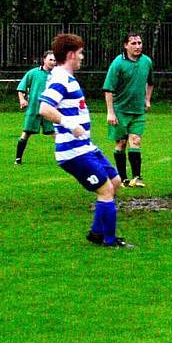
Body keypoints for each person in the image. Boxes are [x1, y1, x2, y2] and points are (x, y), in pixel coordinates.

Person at [39, 33, 132, 248]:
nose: (82, 57)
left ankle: (97, 233)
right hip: (73, 152)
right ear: (71, 55)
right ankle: (109, 240)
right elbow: (45, 108)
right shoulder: (61, 78)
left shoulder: (66, 78)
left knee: (115, 182)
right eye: (80, 53)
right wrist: (71, 125)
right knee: (106, 190)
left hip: (85, 147)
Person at [103, 33, 154, 187]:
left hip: (138, 111)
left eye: (139, 43)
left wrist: (147, 100)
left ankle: (137, 177)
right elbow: (108, 89)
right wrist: (110, 112)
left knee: (136, 141)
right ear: (126, 45)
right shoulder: (118, 63)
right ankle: (123, 179)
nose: (138, 46)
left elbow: (150, 82)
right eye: (133, 43)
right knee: (121, 143)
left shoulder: (146, 61)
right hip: (120, 110)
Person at [14, 50, 57, 164]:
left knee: (56, 134)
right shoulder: (33, 73)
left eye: (54, 60)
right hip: (34, 108)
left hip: (50, 109)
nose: (53, 62)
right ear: (44, 60)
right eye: (50, 60)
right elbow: (21, 88)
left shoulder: (58, 75)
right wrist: (22, 99)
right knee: (26, 133)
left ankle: (64, 159)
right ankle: (18, 159)